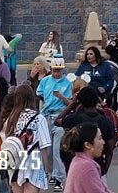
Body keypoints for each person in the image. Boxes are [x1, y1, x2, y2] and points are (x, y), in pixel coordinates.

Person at [0, 83, 51, 193]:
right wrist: (46, 171)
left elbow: (6, 143)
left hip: (15, 162)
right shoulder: (39, 119)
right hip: (33, 161)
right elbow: (43, 147)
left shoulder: (11, 119)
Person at [58, 87, 117, 176]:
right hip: (97, 165)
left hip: (74, 166)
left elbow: (58, 120)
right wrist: (105, 169)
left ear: (80, 102)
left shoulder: (74, 118)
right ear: (97, 100)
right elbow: (110, 149)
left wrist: (72, 104)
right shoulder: (105, 121)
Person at [38, 56, 74, 190]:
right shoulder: (45, 81)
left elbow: (72, 103)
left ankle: (59, 178)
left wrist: (62, 97)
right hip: (46, 115)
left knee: (57, 149)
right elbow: (41, 98)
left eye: (58, 70)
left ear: (62, 70)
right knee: (47, 149)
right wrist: (40, 113)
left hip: (60, 116)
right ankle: (51, 173)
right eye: (54, 70)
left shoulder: (68, 83)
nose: (55, 73)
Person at [61, 122, 112, 193]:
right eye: (100, 138)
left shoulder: (79, 161)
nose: (103, 142)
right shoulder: (86, 166)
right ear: (88, 145)